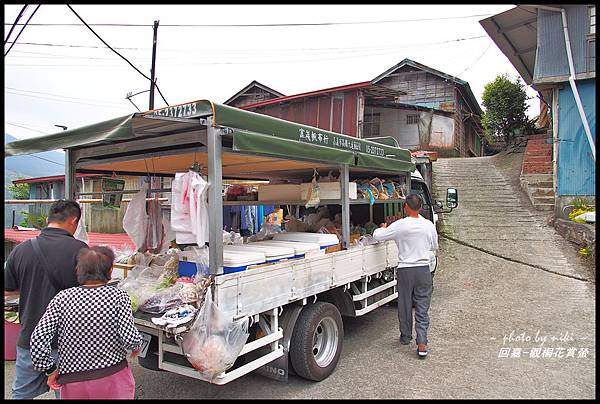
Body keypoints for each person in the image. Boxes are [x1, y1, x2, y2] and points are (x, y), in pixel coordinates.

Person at [30, 246, 142, 399]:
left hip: (74, 382)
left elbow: (37, 340)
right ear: (109, 272)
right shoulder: (118, 296)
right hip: (112, 377)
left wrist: (50, 370)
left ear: (78, 270)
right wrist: (136, 346)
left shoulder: (62, 298)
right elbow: (129, 338)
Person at [4, 200, 88, 399]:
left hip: (30, 338)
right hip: (69, 341)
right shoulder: (81, 250)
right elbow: (90, 291)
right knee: (68, 393)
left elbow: (8, 290)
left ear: (49, 218)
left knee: (21, 394)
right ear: (73, 220)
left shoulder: (21, 250)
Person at [373, 193, 438, 358]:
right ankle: (422, 343)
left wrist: (382, 227)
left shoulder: (400, 225)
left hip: (405, 270)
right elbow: (434, 246)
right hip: (423, 270)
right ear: (421, 208)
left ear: (405, 207)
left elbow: (377, 236)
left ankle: (405, 336)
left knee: (404, 304)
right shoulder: (428, 225)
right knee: (422, 306)